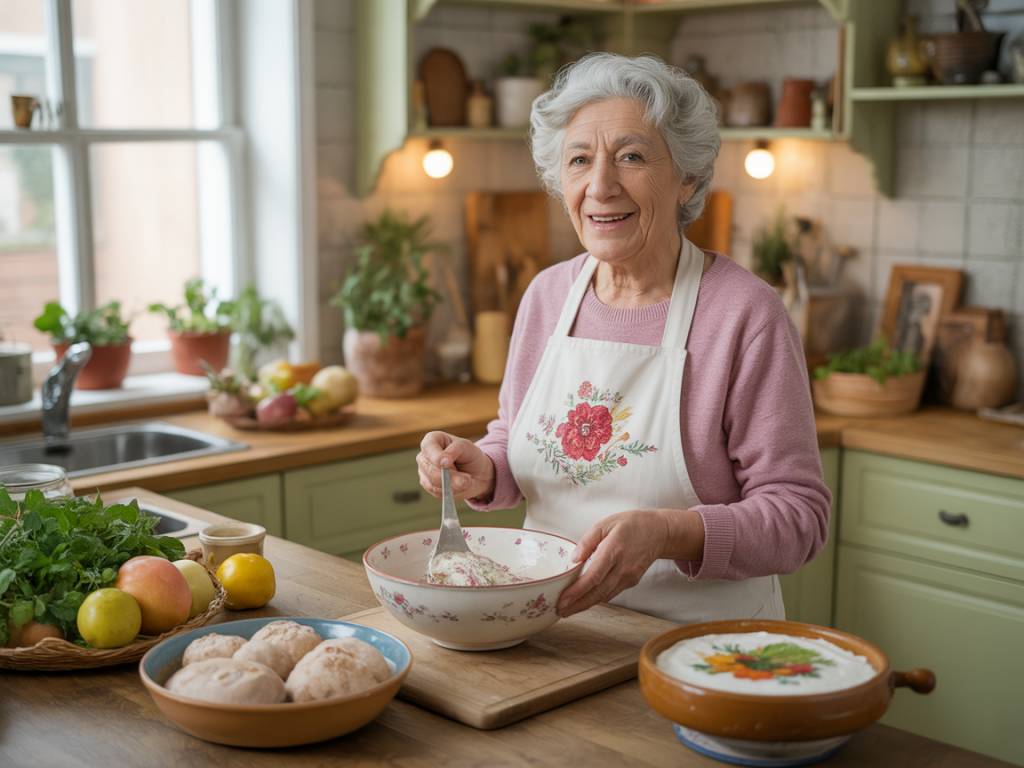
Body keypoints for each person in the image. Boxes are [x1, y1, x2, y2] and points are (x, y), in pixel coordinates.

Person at [416, 53, 830, 624]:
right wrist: (481, 468)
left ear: (686, 177)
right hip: (554, 633)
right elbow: (516, 441)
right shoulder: (547, 295)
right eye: (579, 160)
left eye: (631, 157)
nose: (601, 186)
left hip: (701, 650)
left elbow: (799, 519)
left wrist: (668, 532)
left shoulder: (745, 313)